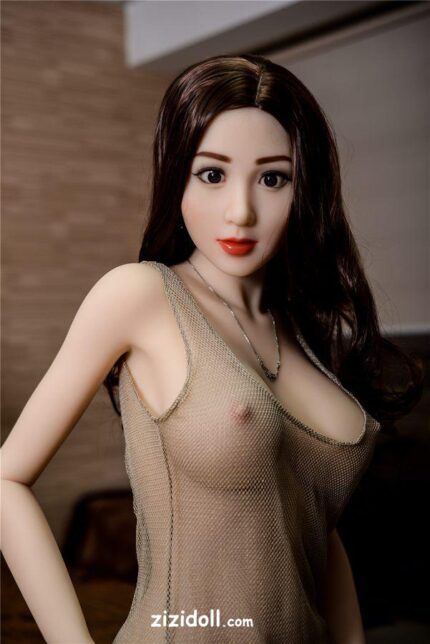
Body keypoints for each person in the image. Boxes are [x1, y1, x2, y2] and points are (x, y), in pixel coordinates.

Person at [1, 54, 423, 644]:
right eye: (212, 174)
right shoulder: (141, 295)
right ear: (176, 175)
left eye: (272, 178)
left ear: (306, 189)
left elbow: (311, 526)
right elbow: (6, 481)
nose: (241, 211)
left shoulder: (302, 326)